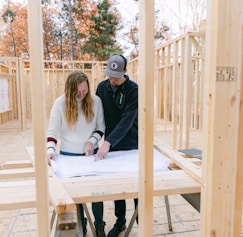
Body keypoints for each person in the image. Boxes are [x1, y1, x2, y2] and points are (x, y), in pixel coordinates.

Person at [46, 71, 106, 237]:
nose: (81, 94)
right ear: (69, 90)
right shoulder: (60, 103)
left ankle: (99, 225)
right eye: (77, 92)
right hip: (68, 156)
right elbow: (52, 132)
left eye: (84, 90)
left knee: (97, 193)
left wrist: (91, 142)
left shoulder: (96, 101)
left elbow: (101, 128)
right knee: (76, 195)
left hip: (90, 155)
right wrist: (50, 151)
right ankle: (82, 225)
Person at [95, 54, 138, 237]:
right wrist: (92, 139)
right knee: (117, 184)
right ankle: (120, 222)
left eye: (116, 76)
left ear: (125, 72)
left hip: (131, 142)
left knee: (138, 184)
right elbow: (96, 115)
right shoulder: (102, 87)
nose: (112, 79)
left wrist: (108, 142)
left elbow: (127, 120)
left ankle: (141, 220)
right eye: (109, 75)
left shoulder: (133, 89)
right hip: (111, 144)